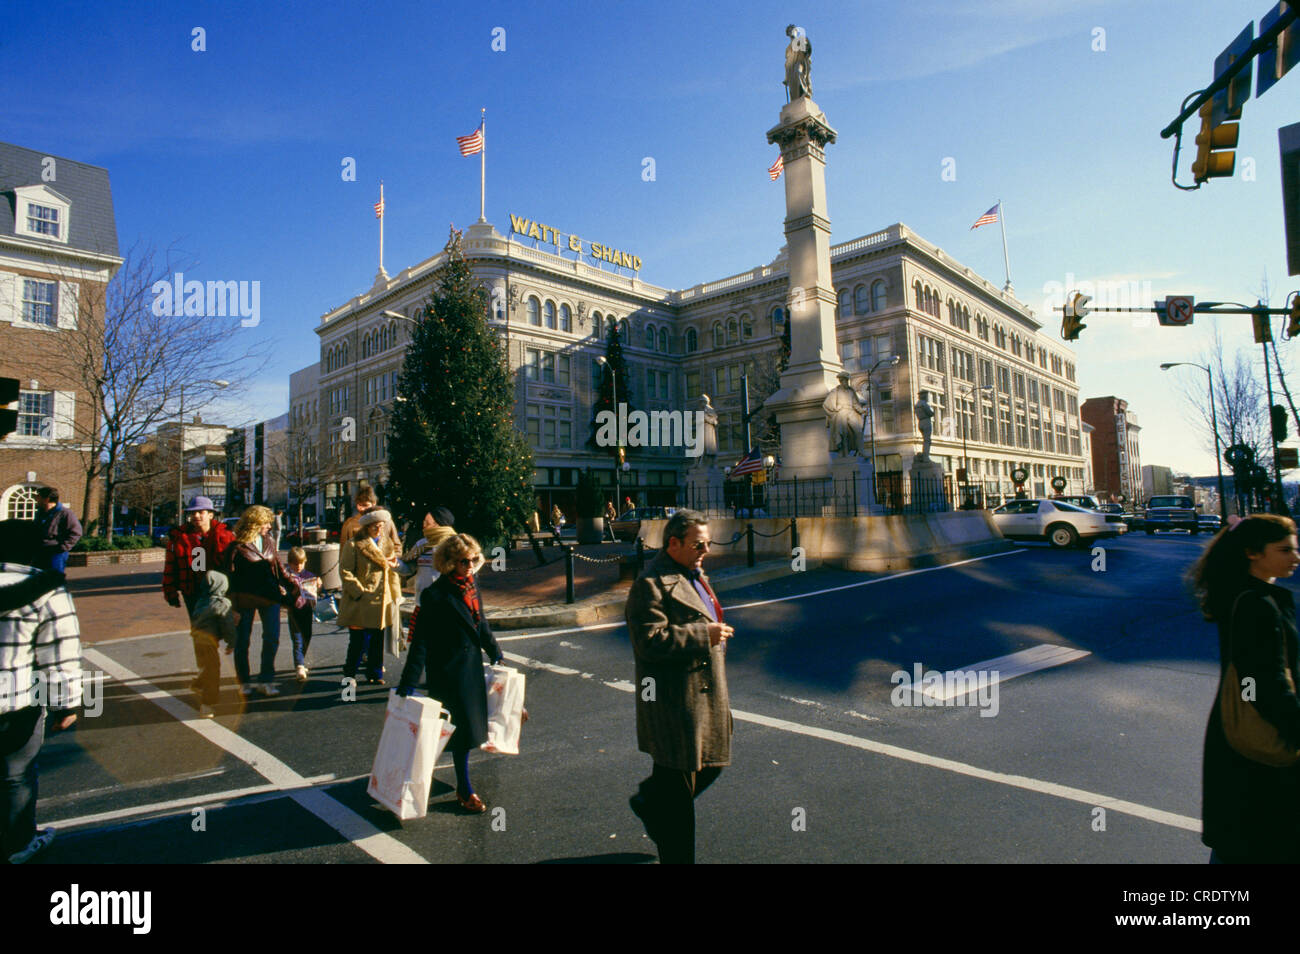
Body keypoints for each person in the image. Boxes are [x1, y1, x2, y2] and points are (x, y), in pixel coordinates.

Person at [626, 509, 734, 863]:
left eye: (708, 542)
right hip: (675, 703)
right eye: (699, 544)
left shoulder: (694, 574)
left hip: (705, 695)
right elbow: (649, 642)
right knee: (678, 802)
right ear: (674, 543)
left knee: (713, 763)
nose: (706, 550)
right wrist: (705, 635)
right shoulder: (650, 584)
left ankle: (649, 800)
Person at [1190, 514, 1300, 863]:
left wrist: (1251, 698)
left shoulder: (1241, 593)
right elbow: (1261, 680)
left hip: (1238, 734)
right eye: (1284, 550)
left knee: (1241, 841)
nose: (1295, 558)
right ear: (1253, 552)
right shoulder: (1257, 604)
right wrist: (1277, 716)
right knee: (1262, 840)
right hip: (1261, 738)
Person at [397, 533, 503, 813]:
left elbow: (481, 625)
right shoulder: (435, 595)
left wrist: (495, 653)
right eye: (463, 561)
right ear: (448, 562)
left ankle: (453, 784)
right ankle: (463, 788)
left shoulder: (471, 585)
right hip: (446, 671)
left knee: (461, 731)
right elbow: (420, 641)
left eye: (474, 560)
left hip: (469, 669)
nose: (470, 566)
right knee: (458, 731)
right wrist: (408, 683)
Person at [0, 531, 82, 863]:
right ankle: (19, 843)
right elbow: (60, 655)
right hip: (16, 699)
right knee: (16, 774)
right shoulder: (47, 591)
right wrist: (67, 703)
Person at [227, 505, 297, 697]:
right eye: (265, 522)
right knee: (243, 641)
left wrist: (295, 585)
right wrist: (230, 605)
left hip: (270, 596)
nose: (268, 526)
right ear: (254, 523)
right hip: (244, 598)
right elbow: (229, 577)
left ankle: (266, 680)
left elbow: (279, 569)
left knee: (272, 638)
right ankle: (244, 681)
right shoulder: (236, 546)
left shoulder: (269, 541)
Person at [338, 508, 402, 689]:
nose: (379, 530)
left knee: (376, 640)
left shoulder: (386, 543)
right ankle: (349, 675)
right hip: (360, 601)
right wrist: (359, 592)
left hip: (381, 600)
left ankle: (375, 673)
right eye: (375, 527)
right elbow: (345, 571)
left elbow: (392, 572)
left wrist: (396, 594)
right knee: (358, 642)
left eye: (382, 526)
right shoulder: (353, 545)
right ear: (366, 527)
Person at [162, 496, 236, 617]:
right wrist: (170, 593)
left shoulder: (225, 536)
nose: (196, 515)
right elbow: (170, 568)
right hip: (193, 592)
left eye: (201, 512)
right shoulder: (179, 538)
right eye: (193, 512)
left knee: (222, 628)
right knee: (200, 629)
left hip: (221, 591)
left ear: (210, 515)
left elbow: (234, 565)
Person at [189, 570, 237, 717]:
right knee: (213, 672)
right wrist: (231, 642)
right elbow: (227, 625)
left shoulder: (201, 601)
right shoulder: (222, 603)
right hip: (209, 643)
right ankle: (207, 705)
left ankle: (198, 684)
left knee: (205, 666)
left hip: (197, 640)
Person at [402, 507, 457, 605]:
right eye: (424, 522)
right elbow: (410, 568)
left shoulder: (454, 544)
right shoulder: (421, 544)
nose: (424, 525)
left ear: (438, 524)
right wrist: (395, 564)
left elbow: (475, 561)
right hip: (422, 600)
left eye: (427, 522)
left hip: (446, 602)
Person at [284, 547, 320, 682]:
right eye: (295, 564)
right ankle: (299, 665)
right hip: (294, 610)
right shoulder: (287, 576)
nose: (298, 566)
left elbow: (316, 590)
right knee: (297, 639)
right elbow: (285, 594)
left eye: (301, 563)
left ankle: (301, 661)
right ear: (289, 563)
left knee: (307, 636)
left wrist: (319, 585)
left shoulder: (309, 575)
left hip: (307, 609)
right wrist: (295, 591)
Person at [34, 487, 82, 574]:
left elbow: (76, 533)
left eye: (38, 496)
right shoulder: (40, 513)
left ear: (46, 499)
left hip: (56, 554)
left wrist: (62, 548)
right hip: (40, 552)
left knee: (54, 581)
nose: (36, 499)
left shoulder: (65, 513)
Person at [339, 487, 401, 551]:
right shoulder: (350, 523)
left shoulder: (386, 521)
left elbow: (397, 546)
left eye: (365, 505)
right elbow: (344, 550)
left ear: (374, 503)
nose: (361, 509)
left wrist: (391, 559)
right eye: (359, 505)